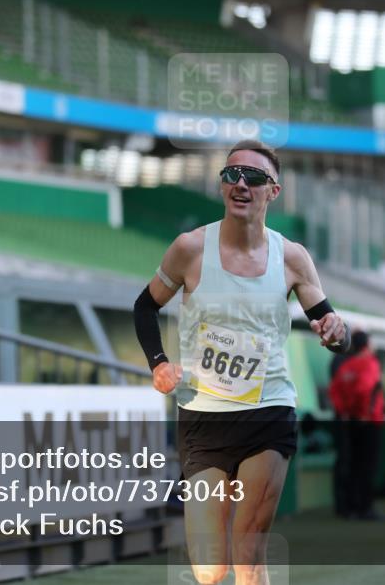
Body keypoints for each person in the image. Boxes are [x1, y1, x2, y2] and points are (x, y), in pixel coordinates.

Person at [133, 140, 349, 585]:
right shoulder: (190, 248)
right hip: (203, 415)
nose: (241, 184)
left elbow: (328, 322)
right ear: (222, 186)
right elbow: (144, 306)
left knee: (249, 557)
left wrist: (335, 331)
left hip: (268, 408)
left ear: (273, 191)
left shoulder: (291, 257)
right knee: (210, 569)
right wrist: (158, 363)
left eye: (253, 177)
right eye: (231, 175)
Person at [328, 330, 385, 520]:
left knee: (352, 463)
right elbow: (365, 389)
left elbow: (334, 391)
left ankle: (350, 506)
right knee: (367, 465)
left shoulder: (347, 366)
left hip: (349, 420)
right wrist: (364, 413)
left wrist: (345, 411)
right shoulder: (370, 364)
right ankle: (365, 508)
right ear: (368, 345)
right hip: (367, 421)